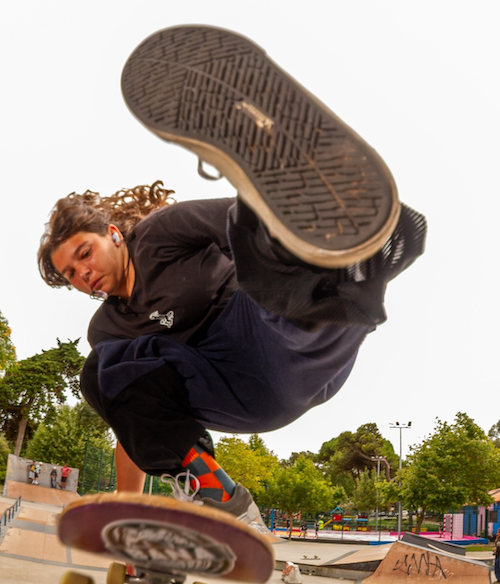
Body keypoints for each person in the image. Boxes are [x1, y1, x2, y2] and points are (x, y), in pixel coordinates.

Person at [37, 25, 426, 533]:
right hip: (235, 388)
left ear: (113, 234)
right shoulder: (108, 329)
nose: (83, 274)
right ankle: (215, 490)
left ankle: (350, 255)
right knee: (102, 372)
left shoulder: (161, 234)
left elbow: (248, 225)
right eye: (71, 274)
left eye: (84, 255)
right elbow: (131, 426)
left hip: (290, 341)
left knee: (258, 252)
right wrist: (126, 510)